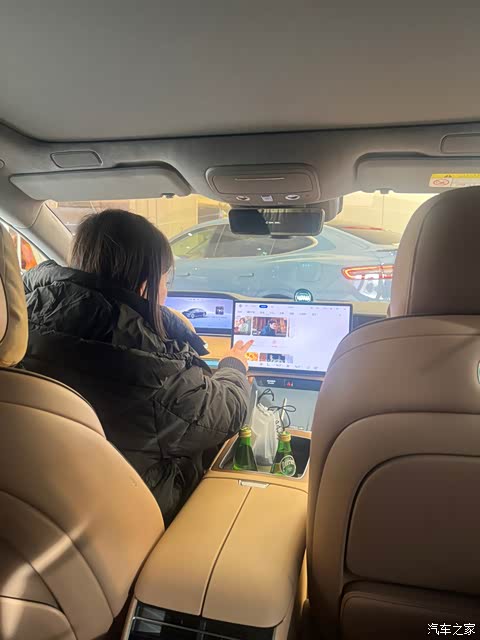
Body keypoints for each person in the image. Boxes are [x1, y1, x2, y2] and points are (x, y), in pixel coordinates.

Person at [22, 209, 253, 524]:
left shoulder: (22, 324)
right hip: (133, 518)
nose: (166, 291)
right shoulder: (150, 367)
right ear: (146, 287)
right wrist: (234, 365)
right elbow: (226, 412)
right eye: (165, 280)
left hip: (43, 507)